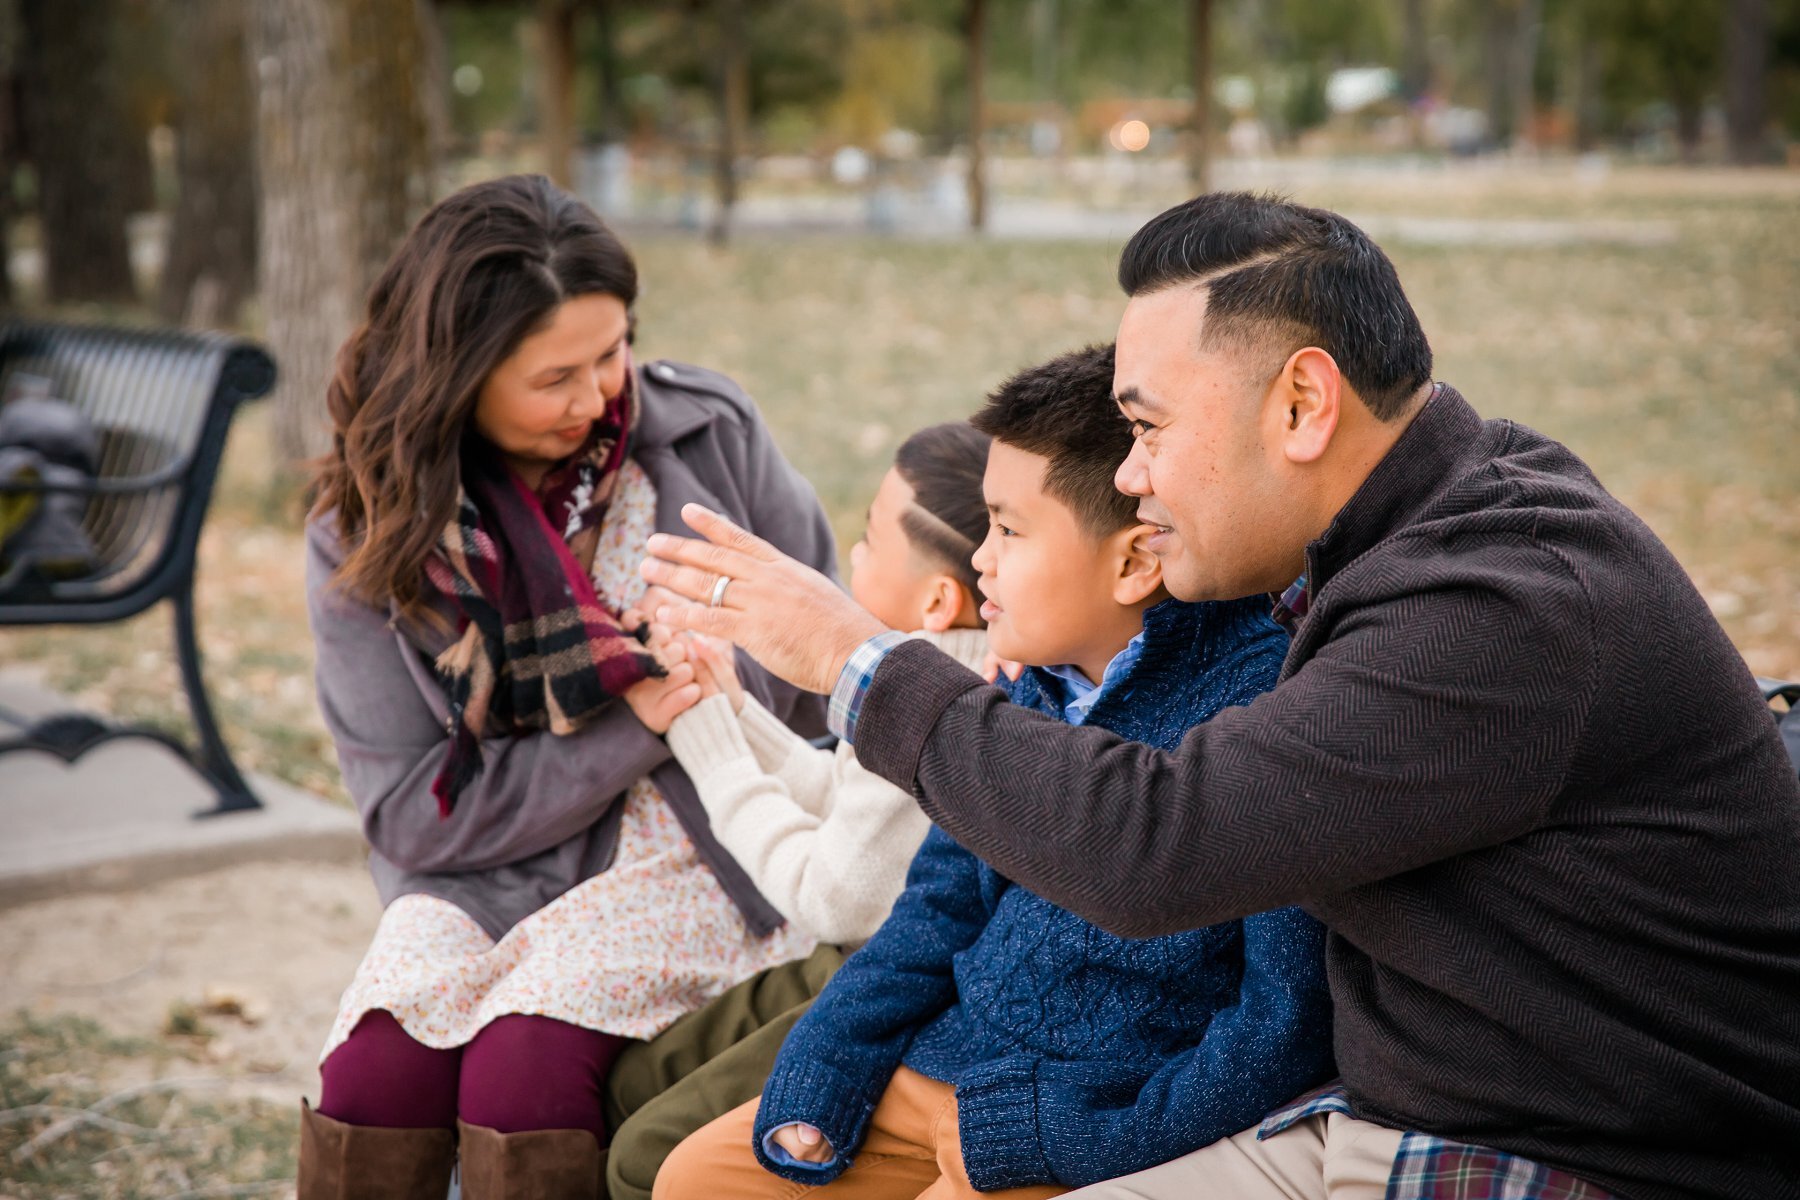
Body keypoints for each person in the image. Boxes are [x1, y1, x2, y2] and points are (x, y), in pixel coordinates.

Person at [639, 192, 1800, 1200]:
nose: (1130, 476)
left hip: (1580, 1153)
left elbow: (1158, 847)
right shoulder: (1422, 529)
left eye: (1145, 426)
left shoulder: (1500, 607)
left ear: (1302, 405)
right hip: (1388, 1111)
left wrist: (861, 661)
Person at [652, 343, 1332, 1200]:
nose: (980, 562)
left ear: (1133, 561)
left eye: (1008, 531)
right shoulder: (1029, 686)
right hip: (946, 1063)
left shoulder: (1259, 711)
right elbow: (935, 910)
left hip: (1081, 1117)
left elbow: (1281, 1022)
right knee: (694, 1181)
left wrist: (1077, 1134)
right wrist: (825, 1072)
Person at [301, 174, 836, 1199]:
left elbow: (817, 689)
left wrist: (714, 675)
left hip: (705, 847)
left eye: (612, 351)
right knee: (373, 1078)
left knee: (525, 1077)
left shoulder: (708, 438)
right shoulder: (365, 535)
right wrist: (632, 719)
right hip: (490, 871)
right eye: (556, 377)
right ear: (456, 379)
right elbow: (415, 819)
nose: (599, 398)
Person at [601, 421, 995, 1200]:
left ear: (939, 600)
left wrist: (705, 736)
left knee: (641, 1156)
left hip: (869, 972)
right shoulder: (935, 666)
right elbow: (853, 805)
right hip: (856, 953)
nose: (848, 561)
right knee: (636, 1076)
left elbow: (832, 896)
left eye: (868, 541)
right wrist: (733, 708)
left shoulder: (941, 698)